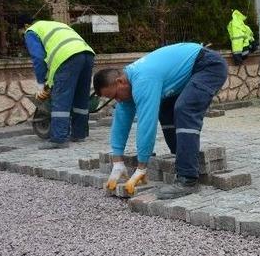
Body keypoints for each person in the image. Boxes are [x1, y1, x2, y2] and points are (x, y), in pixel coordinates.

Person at [93, 43, 228, 199]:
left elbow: (146, 124)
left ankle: (188, 179)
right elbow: (121, 121)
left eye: (115, 95)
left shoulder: (142, 80)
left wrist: (142, 166)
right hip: (192, 68)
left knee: (185, 109)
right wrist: (117, 162)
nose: (117, 100)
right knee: (166, 109)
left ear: (120, 81)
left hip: (208, 66)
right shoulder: (127, 83)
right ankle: (183, 156)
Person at [22, 18, 95, 149]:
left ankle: (59, 139)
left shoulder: (31, 31)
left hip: (67, 57)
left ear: (26, 25)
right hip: (87, 54)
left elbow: (38, 58)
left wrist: (41, 84)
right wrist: (49, 81)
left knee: (61, 99)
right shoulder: (57, 25)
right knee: (81, 97)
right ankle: (79, 134)